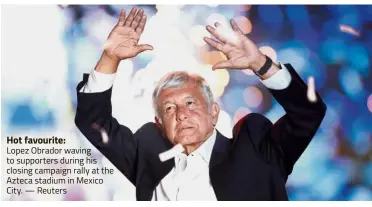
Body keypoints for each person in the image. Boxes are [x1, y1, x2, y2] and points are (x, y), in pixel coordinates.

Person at [75, 7, 327, 201]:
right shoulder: (148, 157)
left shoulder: (254, 148)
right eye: (169, 109)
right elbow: (92, 121)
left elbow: (308, 113)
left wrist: (261, 64)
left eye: (190, 103)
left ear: (214, 112)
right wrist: (109, 58)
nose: (181, 115)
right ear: (159, 124)